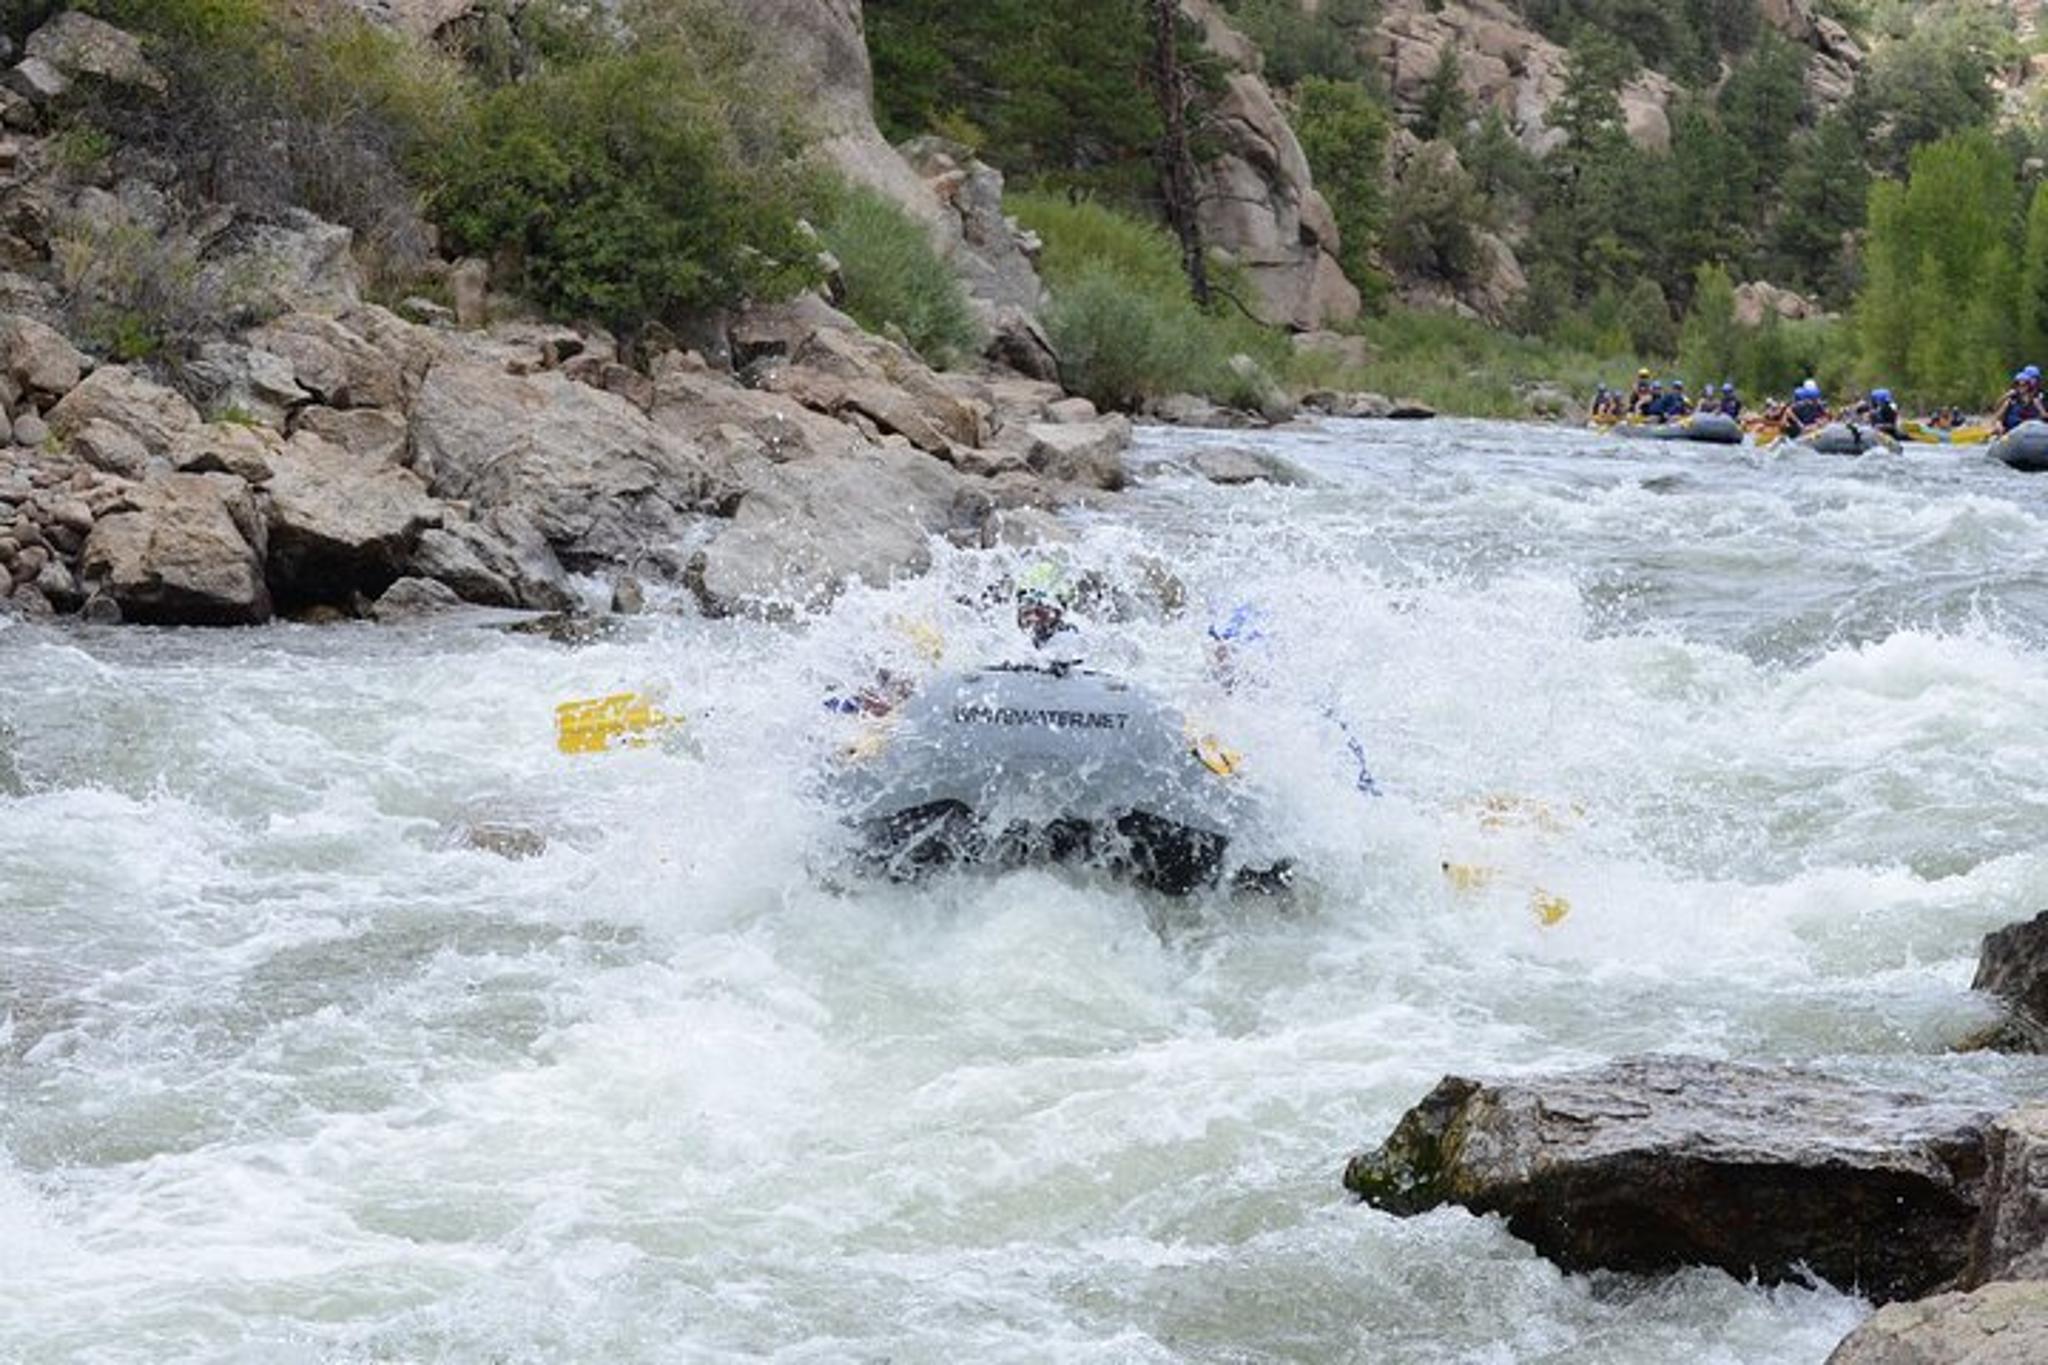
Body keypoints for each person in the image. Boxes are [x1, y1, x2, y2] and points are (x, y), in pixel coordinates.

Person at [1993, 367, 2046, 432]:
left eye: (2024, 385)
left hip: (2031, 433)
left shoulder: (2037, 399)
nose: (2021, 387)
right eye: (2018, 385)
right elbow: (1997, 416)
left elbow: (2044, 416)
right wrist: (1998, 424)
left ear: (2028, 386)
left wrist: (2040, 407)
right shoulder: (2011, 400)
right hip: (2013, 432)